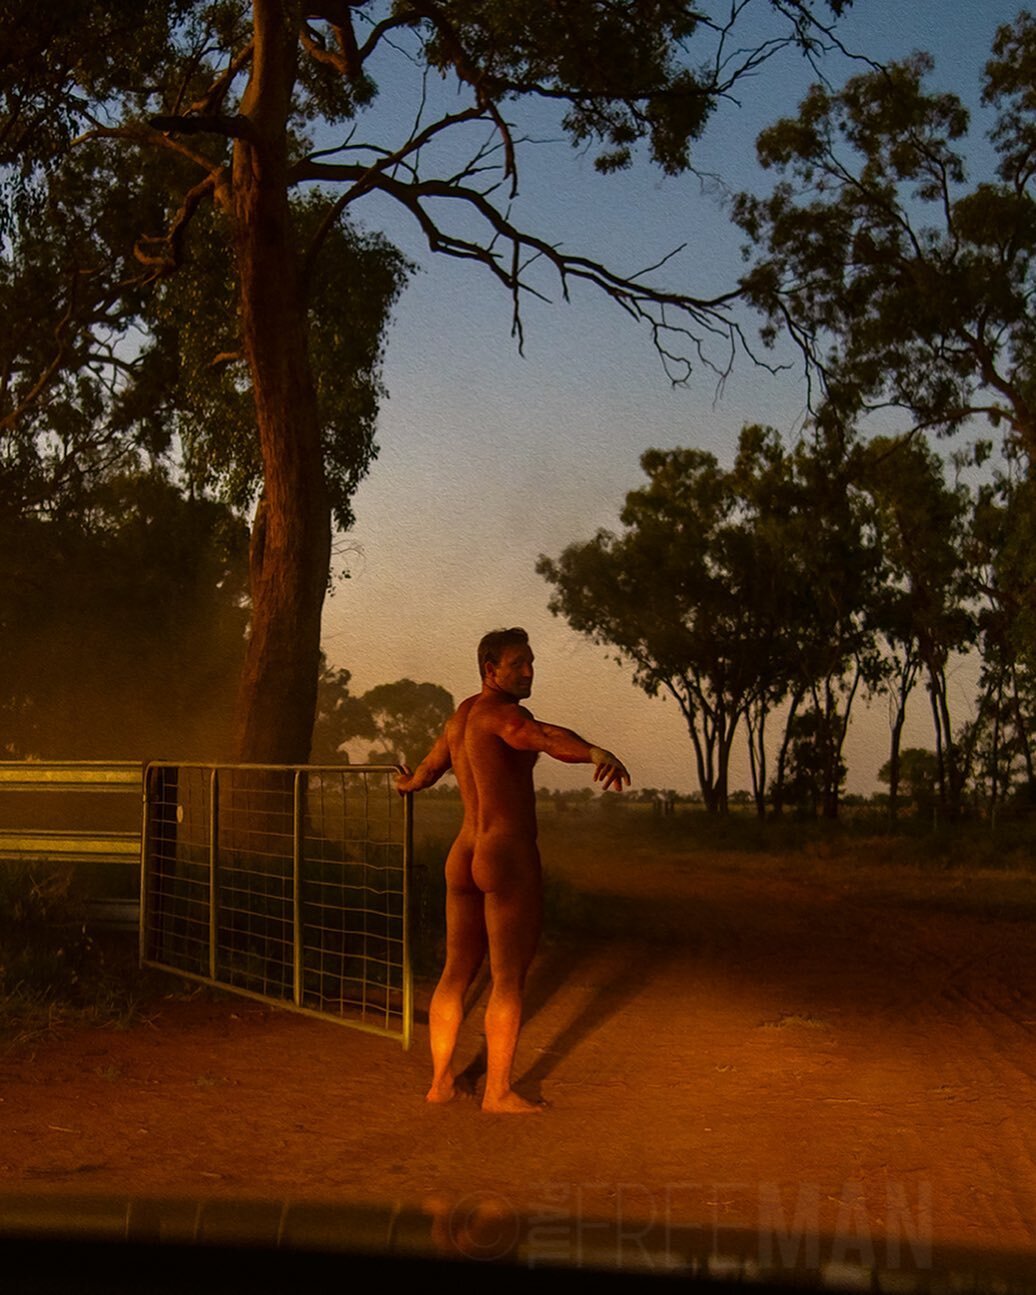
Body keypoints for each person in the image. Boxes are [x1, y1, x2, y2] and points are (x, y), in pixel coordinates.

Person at [395, 627, 630, 1114]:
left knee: (455, 971)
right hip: (504, 854)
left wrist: (408, 784)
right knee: (507, 978)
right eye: (518, 663)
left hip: (463, 853)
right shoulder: (505, 715)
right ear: (490, 670)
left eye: (531, 662)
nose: (528, 671)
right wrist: (595, 752)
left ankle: (441, 1084)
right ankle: (498, 1092)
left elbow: (429, 770)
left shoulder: (460, 718)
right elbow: (543, 737)